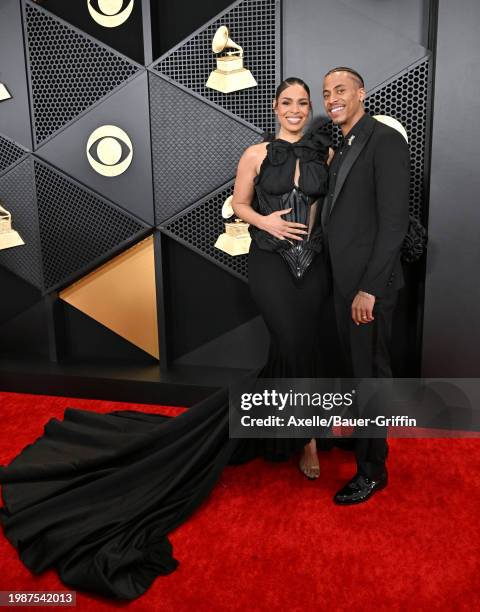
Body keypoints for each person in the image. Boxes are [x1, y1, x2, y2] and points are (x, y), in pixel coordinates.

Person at [0, 77, 332, 600]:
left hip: (312, 267)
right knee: (290, 344)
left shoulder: (322, 151)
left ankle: (289, 432)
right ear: (275, 108)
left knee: (302, 347)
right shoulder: (255, 153)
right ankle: (302, 436)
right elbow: (238, 204)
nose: (295, 110)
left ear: (309, 110)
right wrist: (265, 221)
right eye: (287, 103)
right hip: (268, 263)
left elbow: (325, 208)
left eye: (303, 104)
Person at [321, 67, 410, 504]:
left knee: (370, 377)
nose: (332, 98)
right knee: (357, 375)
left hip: (367, 290)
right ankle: (363, 440)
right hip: (345, 285)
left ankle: (373, 471)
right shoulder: (347, 144)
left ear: (361, 93)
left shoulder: (384, 140)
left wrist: (370, 289)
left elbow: (394, 224)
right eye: (326, 93)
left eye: (340, 90)